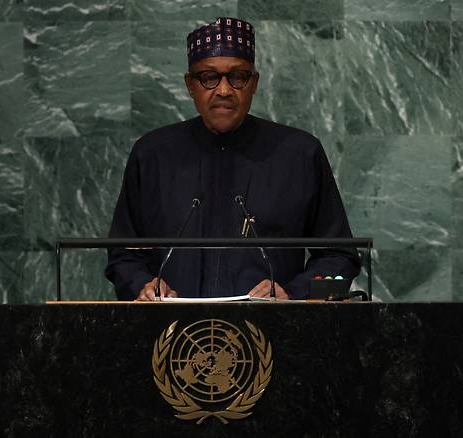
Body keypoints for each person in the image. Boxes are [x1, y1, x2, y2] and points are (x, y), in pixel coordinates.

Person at [105, 17, 360, 301]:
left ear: (254, 84)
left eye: (238, 77)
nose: (224, 90)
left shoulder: (300, 154)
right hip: (173, 336)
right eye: (209, 77)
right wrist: (143, 285)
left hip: (277, 334)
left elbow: (341, 262)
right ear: (190, 85)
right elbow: (121, 257)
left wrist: (293, 294)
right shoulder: (152, 155)